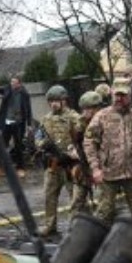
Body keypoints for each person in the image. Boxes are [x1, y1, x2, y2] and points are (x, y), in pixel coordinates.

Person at [84, 79, 132, 224]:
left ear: (129, 96)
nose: (119, 99)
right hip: (108, 173)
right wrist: (95, 168)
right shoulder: (101, 116)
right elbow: (89, 142)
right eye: (116, 95)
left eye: (123, 95)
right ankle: (101, 242)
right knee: (104, 214)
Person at [34, 85, 84, 236]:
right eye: (51, 101)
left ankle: (77, 226)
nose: (54, 104)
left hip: (69, 165)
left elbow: (83, 136)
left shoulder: (74, 117)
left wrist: (75, 152)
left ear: (64, 101)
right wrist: (43, 144)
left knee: (75, 198)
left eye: (57, 100)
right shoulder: (46, 119)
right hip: (53, 165)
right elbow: (38, 137)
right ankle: (50, 225)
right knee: (49, 195)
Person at [0, 75, 32, 177]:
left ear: (19, 84)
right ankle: (2, 168)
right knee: (3, 146)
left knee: (18, 147)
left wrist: (29, 124)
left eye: (14, 82)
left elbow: (28, 110)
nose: (12, 84)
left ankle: (20, 168)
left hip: (19, 124)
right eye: (11, 82)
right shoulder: (7, 89)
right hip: (7, 123)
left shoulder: (24, 94)